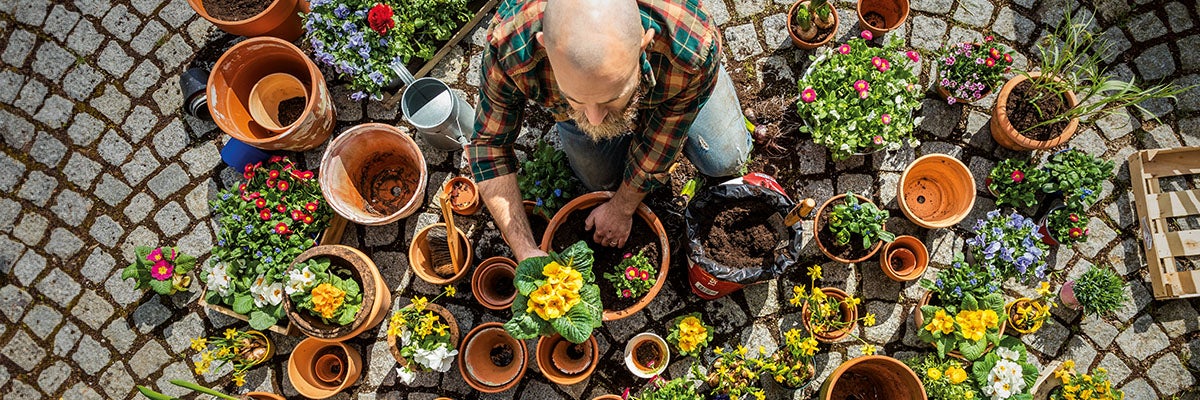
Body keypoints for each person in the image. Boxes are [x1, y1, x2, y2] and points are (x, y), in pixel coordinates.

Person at [466, 0, 751, 262]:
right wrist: (525, 249)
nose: (595, 119)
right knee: (600, 182)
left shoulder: (692, 47)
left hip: (678, 80)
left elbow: (663, 139)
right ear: (545, 46)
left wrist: (623, 207)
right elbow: (489, 147)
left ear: (644, 43)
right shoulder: (508, 46)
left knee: (726, 159)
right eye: (575, 98)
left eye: (612, 96)